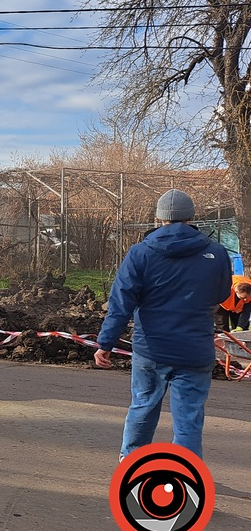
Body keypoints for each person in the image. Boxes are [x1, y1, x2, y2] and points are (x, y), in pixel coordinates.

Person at [94, 189, 230, 461]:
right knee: (189, 417)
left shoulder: (140, 253)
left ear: (158, 219)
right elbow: (222, 294)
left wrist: (105, 343)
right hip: (195, 348)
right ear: (191, 217)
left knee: (143, 405)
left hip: (151, 349)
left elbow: (121, 302)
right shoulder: (216, 253)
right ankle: (187, 472)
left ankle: (131, 462)